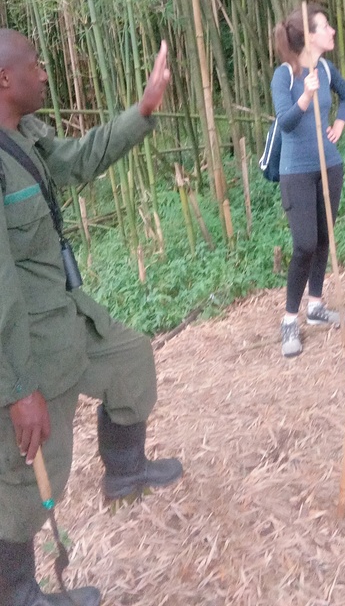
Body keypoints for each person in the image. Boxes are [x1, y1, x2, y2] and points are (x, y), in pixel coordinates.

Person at [0, 30, 183, 605]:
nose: (46, 71)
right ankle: (20, 594)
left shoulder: (24, 136)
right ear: (5, 79)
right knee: (27, 478)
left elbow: (80, 159)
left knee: (130, 361)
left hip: (63, 317)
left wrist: (144, 109)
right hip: (25, 345)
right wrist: (18, 388)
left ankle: (125, 474)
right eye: (36, 64)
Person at [271, 5, 345, 358]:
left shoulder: (325, 67)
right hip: (296, 171)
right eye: (325, 26)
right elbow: (284, 123)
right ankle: (290, 320)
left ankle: (316, 306)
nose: (332, 30)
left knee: (324, 238)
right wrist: (305, 96)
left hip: (329, 165)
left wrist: (340, 122)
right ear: (309, 36)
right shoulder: (285, 75)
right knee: (304, 244)